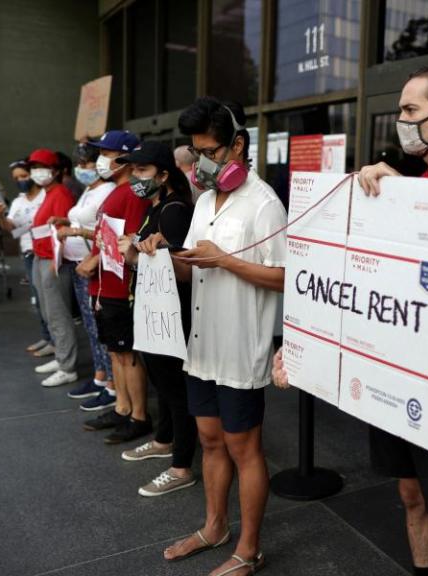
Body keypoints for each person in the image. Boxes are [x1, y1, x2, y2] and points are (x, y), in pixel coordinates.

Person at [276, 63, 428, 576]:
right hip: (394, 366)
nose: (402, 121)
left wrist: (417, 205)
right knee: (410, 496)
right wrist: (301, 342)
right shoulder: (408, 185)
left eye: (411, 110)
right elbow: (352, 284)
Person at [140, 98, 284, 574]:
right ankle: (214, 526)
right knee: (210, 440)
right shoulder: (203, 202)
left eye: (209, 150)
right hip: (201, 345)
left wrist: (225, 260)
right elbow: (191, 272)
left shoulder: (264, 203)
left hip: (241, 347)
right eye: (195, 150)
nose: (201, 162)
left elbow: (285, 277)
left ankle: (249, 549)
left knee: (245, 448)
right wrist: (163, 254)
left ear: (237, 145)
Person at [116, 141, 198, 497]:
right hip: (154, 313)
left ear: (164, 175)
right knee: (163, 385)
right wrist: (135, 250)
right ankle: (164, 440)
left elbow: (181, 269)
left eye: (143, 170)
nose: (136, 177)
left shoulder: (175, 209)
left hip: (170, 315)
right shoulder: (158, 206)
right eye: (133, 170)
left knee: (176, 391)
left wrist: (136, 255)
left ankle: (182, 466)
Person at [76, 130, 153, 439]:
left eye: (106, 154)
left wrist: (96, 259)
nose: (101, 160)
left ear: (124, 158)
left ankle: (138, 415)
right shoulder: (115, 190)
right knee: (114, 352)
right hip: (105, 285)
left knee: (126, 353)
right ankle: (122, 407)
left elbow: (132, 238)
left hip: (121, 286)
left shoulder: (133, 192)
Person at [54, 143, 116, 403]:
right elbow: (83, 220)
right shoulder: (89, 190)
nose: (82, 169)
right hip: (79, 262)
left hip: (96, 265)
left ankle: (112, 385)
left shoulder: (108, 191)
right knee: (91, 327)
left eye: (86, 163)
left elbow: (108, 232)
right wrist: (66, 223)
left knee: (101, 328)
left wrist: (77, 232)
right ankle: (100, 376)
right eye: (79, 163)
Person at [27, 148, 79, 387]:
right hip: (42, 257)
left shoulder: (61, 194)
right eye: (34, 167)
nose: (37, 172)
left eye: (42, 167)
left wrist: (54, 264)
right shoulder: (49, 192)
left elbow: (65, 232)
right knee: (50, 313)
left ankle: (67, 366)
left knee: (58, 314)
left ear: (56, 171)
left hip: (53, 261)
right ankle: (61, 357)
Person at [0, 160, 51, 350]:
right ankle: (47, 337)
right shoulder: (18, 201)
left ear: (33, 174)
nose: (21, 181)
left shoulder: (46, 195)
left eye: (24, 176)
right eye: (16, 178)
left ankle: (56, 342)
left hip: (48, 252)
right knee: (38, 300)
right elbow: (10, 228)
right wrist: (0, 215)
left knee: (51, 301)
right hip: (29, 253)